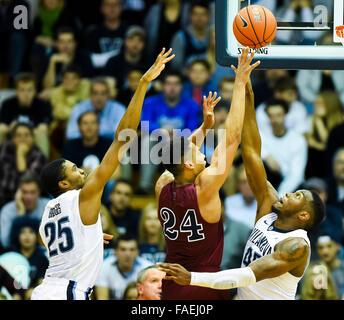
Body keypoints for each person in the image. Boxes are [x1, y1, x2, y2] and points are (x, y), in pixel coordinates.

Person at [158, 77, 326, 300]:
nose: (287, 193)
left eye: (296, 195)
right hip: (203, 281)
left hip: (190, 280)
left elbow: (249, 275)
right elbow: (252, 154)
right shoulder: (268, 209)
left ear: (304, 214)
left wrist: (192, 278)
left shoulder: (296, 246)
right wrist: (248, 99)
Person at [30, 48, 175, 300]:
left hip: (47, 289)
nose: (83, 170)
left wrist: (89, 236)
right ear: (64, 183)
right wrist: (142, 85)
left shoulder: (48, 209)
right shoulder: (83, 196)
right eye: (74, 169)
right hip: (67, 292)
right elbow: (122, 139)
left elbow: (44, 241)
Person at [155, 48, 260, 300]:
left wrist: (204, 127)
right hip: (203, 284)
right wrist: (240, 83)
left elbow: (177, 155)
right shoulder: (205, 186)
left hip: (171, 284)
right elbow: (232, 138)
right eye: (196, 150)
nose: (201, 149)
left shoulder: (163, 185)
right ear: (189, 165)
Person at [137, 70, 201, 195]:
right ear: (162, 86)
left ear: (181, 86)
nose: (172, 88)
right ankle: (145, 185)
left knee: (195, 143)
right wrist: (162, 131)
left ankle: (187, 186)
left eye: (176, 84)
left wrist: (176, 133)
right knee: (147, 140)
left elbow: (193, 128)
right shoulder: (150, 102)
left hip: (181, 143)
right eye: (168, 84)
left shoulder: (192, 105)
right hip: (158, 142)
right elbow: (144, 125)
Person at [260, 98, 308, 196]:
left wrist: (280, 197)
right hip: (270, 181)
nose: (274, 120)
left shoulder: (298, 140)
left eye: (278, 115)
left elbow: (296, 175)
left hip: (293, 187)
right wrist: (266, 156)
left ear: (285, 115)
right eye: (271, 116)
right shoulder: (262, 136)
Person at [0, 73, 52, 157]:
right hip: (12, 138)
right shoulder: (8, 104)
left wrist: (26, 134)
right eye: (22, 90)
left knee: (41, 134)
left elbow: (43, 128)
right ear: (16, 91)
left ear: (35, 91)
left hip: (32, 140)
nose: (26, 94)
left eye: (29, 90)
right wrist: (11, 129)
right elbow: (2, 126)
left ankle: (43, 167)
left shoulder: (43, 105)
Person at [0, 123, 48, 208]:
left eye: (26, 135)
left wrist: (20, 155)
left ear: (32, 138)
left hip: (28, 201)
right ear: (13, 139)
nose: (23, 139)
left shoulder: (39, 155)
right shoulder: (5, 149)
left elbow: (27, 182)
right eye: (19, 135)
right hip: (3, 197)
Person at [0, 172, 50, 249]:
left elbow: (51, 241)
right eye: (25, 192)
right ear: (18, 193)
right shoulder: (8, 210)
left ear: (39, 192)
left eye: (32, 192)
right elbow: (6, 242)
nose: (28, 197)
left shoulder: (48, 206)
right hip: (17, 255)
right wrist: (21, 216)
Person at [95, 234, 152, 300]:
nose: (127, 254)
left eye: (132, 249)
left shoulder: (148, 269)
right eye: (123, 249)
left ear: (138, 252)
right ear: (115, 251)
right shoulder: (104, 267)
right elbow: (102, 298)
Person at [304, 91, 344, 179]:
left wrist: (316, 144)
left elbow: (330, 145)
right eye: (315, 103)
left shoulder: (340, 124)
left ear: (330, 104)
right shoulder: (311, 120)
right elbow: (306, 139)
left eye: (319, 103)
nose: (315, 106)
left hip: (334, 169)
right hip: (316, 170)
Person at [9, 217, 49, 300]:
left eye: (31, 232)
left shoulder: (42, 259)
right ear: (17, 235)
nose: (27, 236)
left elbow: (42, 283)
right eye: (23, 232)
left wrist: (34, 291)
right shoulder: (11, 256)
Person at [84, 0, 129, 72]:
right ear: (102, 8)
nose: (112, 8)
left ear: (121, 8)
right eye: (108, 5)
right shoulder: (93, 33)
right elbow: (90, 60)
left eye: (115, 5)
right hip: (98, 76)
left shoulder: (128, 31)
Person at [103, 26, 149, 90]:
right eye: (131, 39)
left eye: (140, 40)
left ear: (144, 44)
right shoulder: (113, 62)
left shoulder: (150, 63)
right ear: (125, 41)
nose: (135, 44)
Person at [170, 1, 211, 70]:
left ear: (209, 16)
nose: (199, 18)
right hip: (185, 79)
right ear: (190, 16)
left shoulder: (213, 37)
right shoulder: (180, 37)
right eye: (196, 14)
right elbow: (176, 67)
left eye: (203, 14)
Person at [300, 234, 344, 300]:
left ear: (338, 246)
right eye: (320, 247)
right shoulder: (309, 271)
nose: (325, 251)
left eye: (329, 246)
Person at [224, 164, 257, 230]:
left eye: (251, 181)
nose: (248, 186)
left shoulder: (264, 205)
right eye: (244, 182)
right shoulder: (228, 203)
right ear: (238, 185)